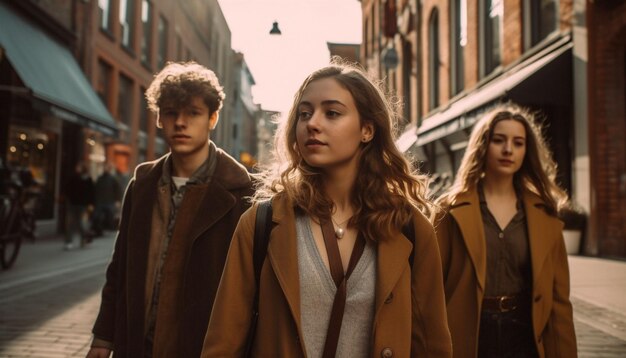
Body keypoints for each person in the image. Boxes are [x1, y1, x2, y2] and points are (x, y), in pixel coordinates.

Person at [201, 61, 452, 357]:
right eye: (304, 114)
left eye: (332, 113)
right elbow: (223, 343)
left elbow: (431, 343)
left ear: (367, 130)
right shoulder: (262, 223)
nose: (312, 123)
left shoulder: (409, 227)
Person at [87, 62, 254, 358]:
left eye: (193, 113)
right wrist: (103, 336)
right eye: (171, 113)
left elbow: (250, 289)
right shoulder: (142, 184)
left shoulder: (240, 192)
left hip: (202, 346)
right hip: (137, 344)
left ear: (213, 118)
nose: (181, 123)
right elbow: (119, 267)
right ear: (160, 119)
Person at [432, 103, 577, 357]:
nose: (508, 149)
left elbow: (558, 302)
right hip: (469, 334)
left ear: (526, 150)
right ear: (483, 146)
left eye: (518, 143)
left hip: (525, 332)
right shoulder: (449, 210)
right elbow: (431, 288)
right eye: (499, 140)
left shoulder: (544, 214)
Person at [64, 161, 95, 250]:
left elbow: (91, 192)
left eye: (79, 167)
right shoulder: (73, 178)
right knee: (70, 223)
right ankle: (69, 242)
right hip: (73, 204)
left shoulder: (88, 179)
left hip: (83, 205)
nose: (77, 168)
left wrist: (91, 204)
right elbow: (67, 189)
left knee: (81, 223)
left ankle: (84, 239)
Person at [90, 163, 122, 237]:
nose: (105, 169)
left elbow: (118, 190)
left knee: (110, 216)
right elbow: (95, 190)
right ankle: (98, 231)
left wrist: (117, 201)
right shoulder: (100, 179)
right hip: (100, 201)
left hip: (109, 201)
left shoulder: (113, 179)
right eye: (104, 168)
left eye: (106, 168)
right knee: (96, 216)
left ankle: (108, 229)